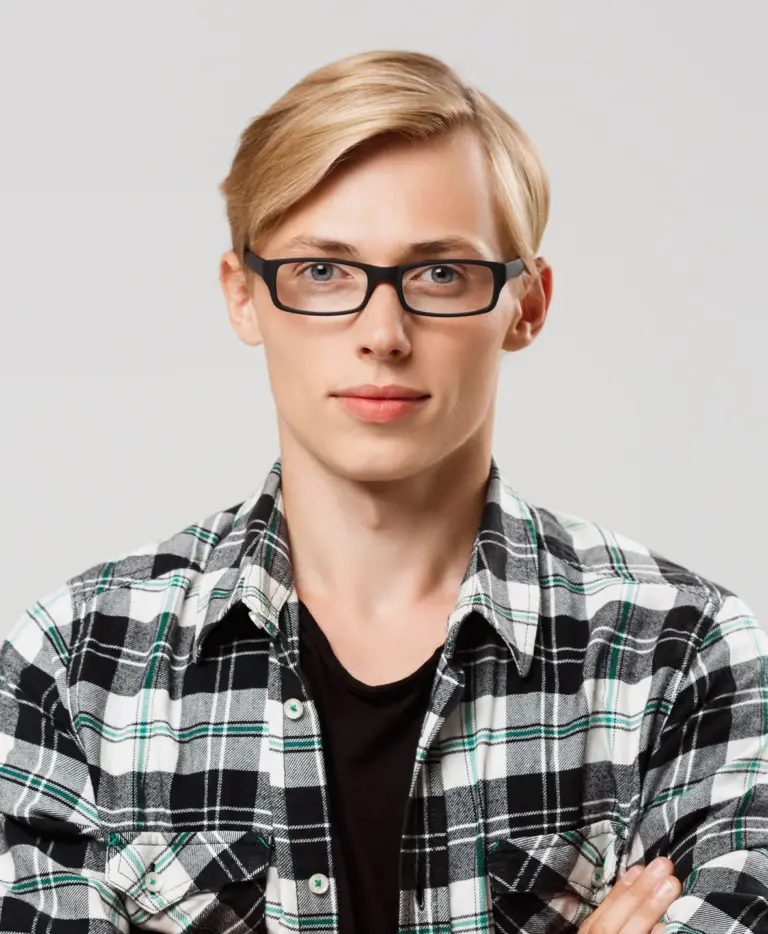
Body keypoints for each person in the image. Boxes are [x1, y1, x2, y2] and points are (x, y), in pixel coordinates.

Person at [1, 49, 765, 934]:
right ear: (244, 296)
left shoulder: (683, 654)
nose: (383, 333)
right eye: (323, 271)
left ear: (526, 304)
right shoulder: (76, 665)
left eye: (440, 274)